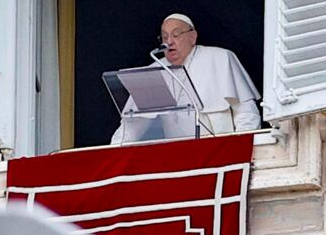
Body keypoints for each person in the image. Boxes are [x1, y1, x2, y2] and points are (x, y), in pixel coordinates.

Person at [111, 13, 261, 145]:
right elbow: (133, 125)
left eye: (176, 35)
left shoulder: (220, 58)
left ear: (192, 37)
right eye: (164, 36)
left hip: (219, 151)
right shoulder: (154, 71)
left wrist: (239, 147)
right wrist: (113, 151)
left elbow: (246, 113)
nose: (168, 42)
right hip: (177, 156)